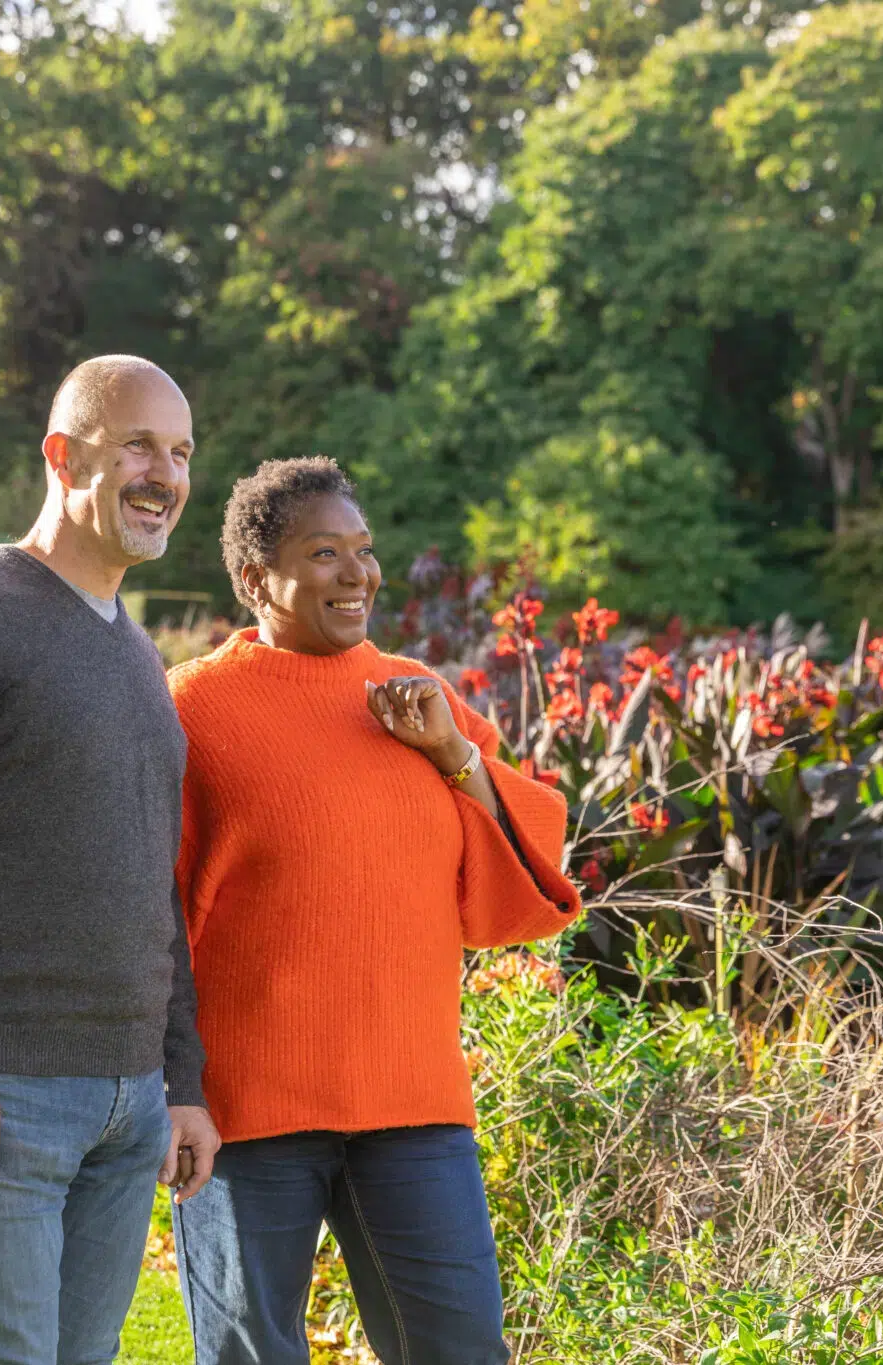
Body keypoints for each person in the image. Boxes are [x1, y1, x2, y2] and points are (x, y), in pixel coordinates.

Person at [167, 456, 583, 1365]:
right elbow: (153, 912)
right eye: (324, 553)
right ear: (254, 578)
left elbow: (531, 873)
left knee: (462, 1348)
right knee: (251, 1355)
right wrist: (174, 1088)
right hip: (246, 1112)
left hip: (413, 1100)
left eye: (363, 549)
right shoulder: (192, 709)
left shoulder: (419, 698)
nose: (359, 574)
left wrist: (453, 757)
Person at [0, 355, 222, 1365]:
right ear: (62, 456)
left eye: (182, 453)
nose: (166, 476)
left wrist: (176, 1078)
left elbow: (159, 883)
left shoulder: (136, 659)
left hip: (124, 1103)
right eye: (138, 445)